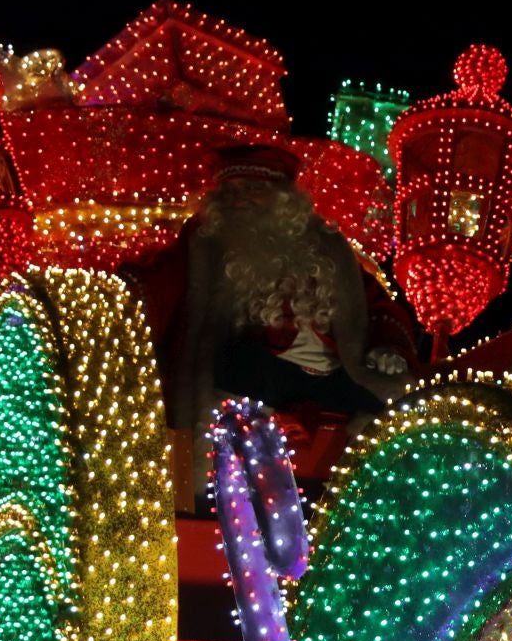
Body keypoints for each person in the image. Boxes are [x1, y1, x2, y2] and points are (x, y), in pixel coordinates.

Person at [170, 143, 417, 442]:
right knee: (240, 366)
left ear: (283, 198)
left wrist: (388, 348)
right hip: (261, 375)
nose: (240, 200)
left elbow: (379, 307)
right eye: (229, 193)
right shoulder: (207, 247)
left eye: (251, 188)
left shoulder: (327, 248)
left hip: (339, 375)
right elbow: (162, 286)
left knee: (395, 399)